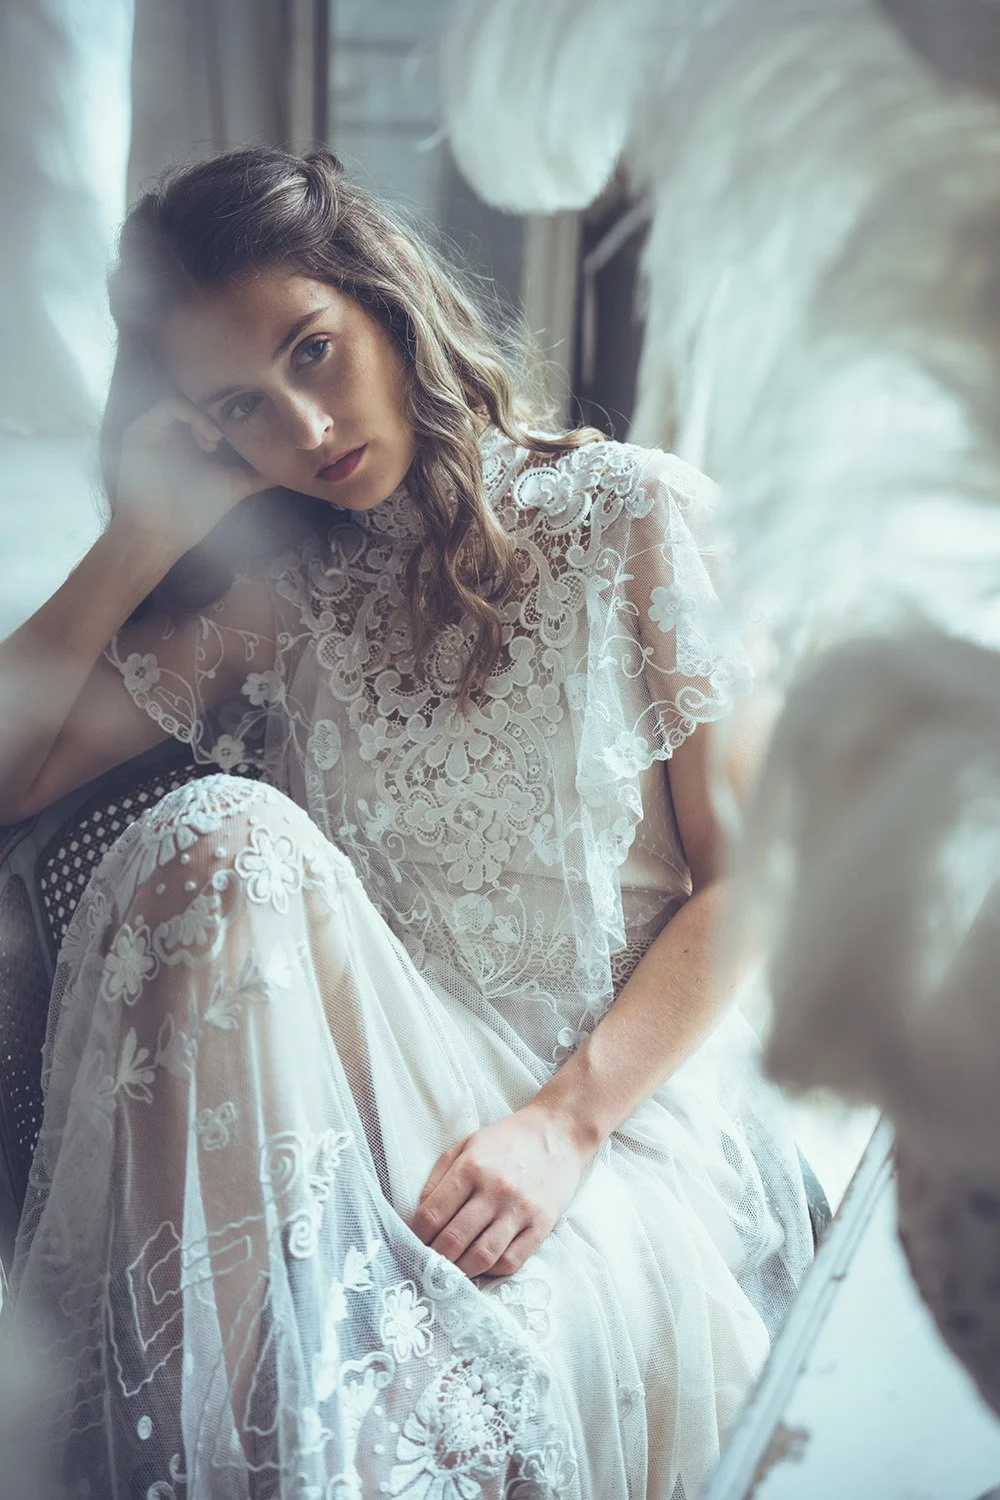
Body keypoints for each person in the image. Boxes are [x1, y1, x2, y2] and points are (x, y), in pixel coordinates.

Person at [0, 145, 813, 1500]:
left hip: (588, 1104)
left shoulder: (637, 519)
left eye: (312, 353)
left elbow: (759, 881)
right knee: (216, 842)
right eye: (241, 411)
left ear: (383, 301)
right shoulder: (287, 600)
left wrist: (565, 1124)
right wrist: (139, 538)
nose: (305, 431)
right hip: (365, 1108)